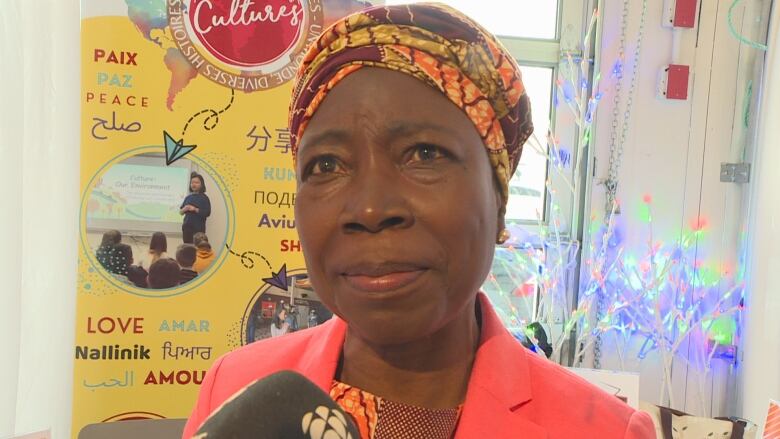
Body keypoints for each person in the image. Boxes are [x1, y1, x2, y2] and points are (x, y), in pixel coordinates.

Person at [183, 4, 655, 439]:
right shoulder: (234, 388)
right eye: (325, 165)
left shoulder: (603, 429)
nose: (369, 209)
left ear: (499, 198)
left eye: (424, 154)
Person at [180, 172, 211, 244]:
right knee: (187, 250)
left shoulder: (204, 198)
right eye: (192, 182)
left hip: (198, 231)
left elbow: (207, 213)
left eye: (196, 182)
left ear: (201, 184)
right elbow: (180, 212)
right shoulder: (188, 197)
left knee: (198, 250)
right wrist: (185, 209)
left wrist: (194, 209)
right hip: (186, 229)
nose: (194, 184)